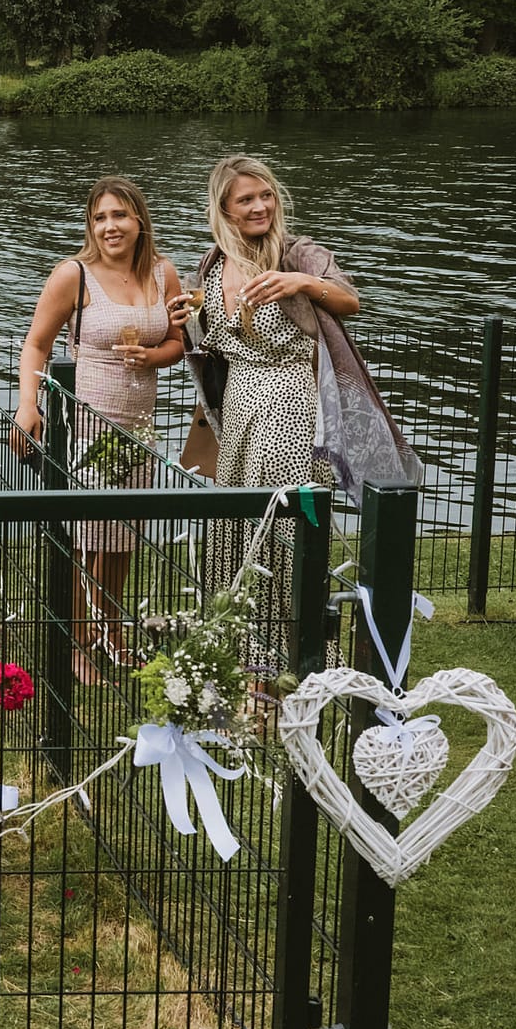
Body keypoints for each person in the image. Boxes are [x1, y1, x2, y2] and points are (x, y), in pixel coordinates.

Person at [171, 154, 419, 665]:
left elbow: (350, 300)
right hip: (238, 406)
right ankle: (237, 651)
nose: (260, 206)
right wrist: (184, 321)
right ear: (224, 209)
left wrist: (302, 284)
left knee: (285, 528)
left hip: (291, 401)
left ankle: (303, 655)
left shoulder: (299, 252)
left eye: (266, 195)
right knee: (233, 525)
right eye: (246, 199)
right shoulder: (212, 265)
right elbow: (216, 346)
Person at [11, 176, 185, 683]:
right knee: (87, 536)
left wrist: (151, 355)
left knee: (123, 536)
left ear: (139, 221)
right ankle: (77, 641)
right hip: (86, 422)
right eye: (100, 217)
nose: (110, 226)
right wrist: (29, 405)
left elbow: (179, 343)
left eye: (120, 215)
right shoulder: (74, 275)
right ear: (91, 225)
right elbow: (36, 345)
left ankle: (113, 634)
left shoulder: (162, 274)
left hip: (141, 429)